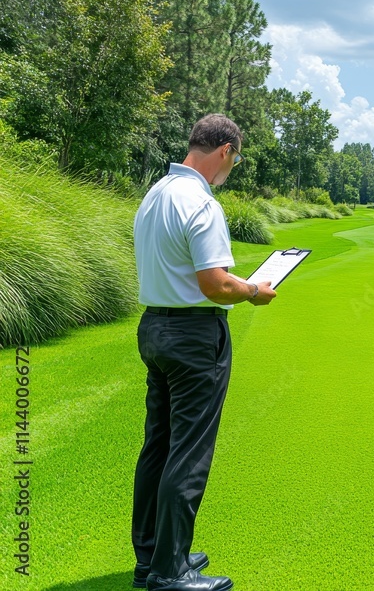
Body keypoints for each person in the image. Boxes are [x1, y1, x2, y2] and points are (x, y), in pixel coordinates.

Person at [131, 114, 276, 591]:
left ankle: (153, 557)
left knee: (159, 444)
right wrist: (253, 290)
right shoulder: (201, 202)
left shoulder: (156, 194)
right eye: (233, 161)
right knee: (189, 452)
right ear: (226, 151)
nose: (229, 170)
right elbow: (216, 285)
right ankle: (170, 573)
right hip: (194, 336)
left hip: (154, 327)